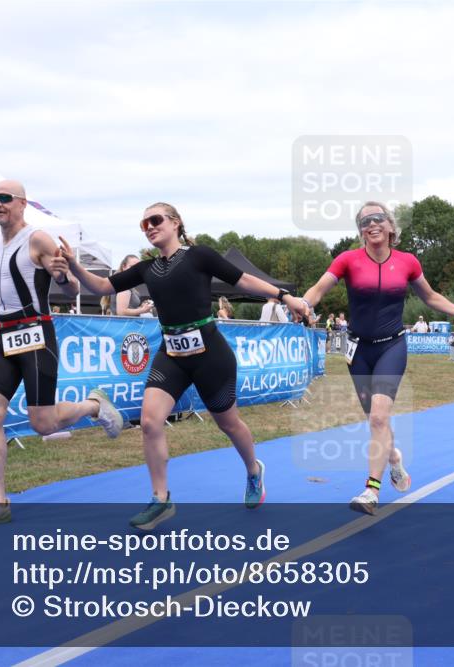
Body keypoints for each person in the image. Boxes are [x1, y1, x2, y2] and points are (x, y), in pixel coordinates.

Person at [52, 202, 309, 530]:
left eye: (155, 220)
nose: (149, 226)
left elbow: (243, 280)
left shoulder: (199, 256)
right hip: (171, 354)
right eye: (144, 223)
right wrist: (74, 265)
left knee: (229, 423)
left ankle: (253, 470)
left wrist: (285, 296)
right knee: (149, 422)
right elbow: (103, 287)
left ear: (175, 223)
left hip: (210, 354)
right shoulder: (146, 268)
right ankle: (160, 499)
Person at [0, 179, 124, 525]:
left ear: (22, 203)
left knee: (43, 424)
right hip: (3, 336)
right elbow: (4, 297)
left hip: (35, 333)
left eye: (4, 198)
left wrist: (62, 277)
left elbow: (71, 288)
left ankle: (94, 405)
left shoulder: (37, 239)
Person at [302, 201, 454, 515]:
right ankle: (394, 458)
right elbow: (318, 289)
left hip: (392, 347)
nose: (371, 224)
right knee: (376, 420)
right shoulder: (347, 260)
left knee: (378, 418)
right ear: (360, 231)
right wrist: (304, 305)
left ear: (390, 226)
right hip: (358, 351)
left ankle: (371, 491)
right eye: (364, 221)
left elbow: (430, 296)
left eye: (377, 218)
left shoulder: (407, 262)